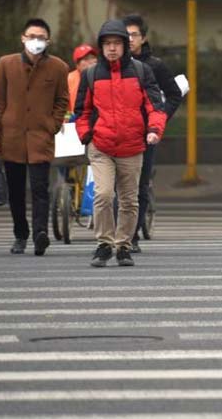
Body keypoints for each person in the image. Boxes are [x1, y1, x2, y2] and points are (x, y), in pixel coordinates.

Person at [75, 20, 167, 267]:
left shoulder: (141, 71)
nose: (112, 48)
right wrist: (86, 135)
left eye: (117, 43)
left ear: (125, 46)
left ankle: (124, 245)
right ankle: (104, 244)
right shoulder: (91, 74)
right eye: (107, 44)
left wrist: (154, 130)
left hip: (132, 146)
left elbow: (155, 106)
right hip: (101, 146)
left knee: (129, 200)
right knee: (103, 194)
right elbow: (82, 111)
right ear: (101, 47)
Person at [0, 19, 69, 255]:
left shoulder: (58, 67)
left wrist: (52, 124)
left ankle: (40, 233)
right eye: (32, 36)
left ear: (48, 41)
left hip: (41, 137)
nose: (36, 41)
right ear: (23, 38)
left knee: (40, 188)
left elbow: (62, 99)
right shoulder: (6, 63)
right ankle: (20, 234)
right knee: (16, 191)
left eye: (41, 37)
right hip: (11, 136)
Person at [123, 13, 183, 253]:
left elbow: (174, 95)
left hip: (146, 134)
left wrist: (159, 120)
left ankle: (132, 235)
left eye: (133, 35)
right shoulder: (111, 65)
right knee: (117, 186)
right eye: (125, 35)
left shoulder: (155, 66)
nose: (129, 39)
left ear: (143, 38)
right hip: (118, 133)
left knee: (139, 185)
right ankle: (116, 233)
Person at [66, 44, 98, 115]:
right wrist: (69, 118)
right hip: (76, 118)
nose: (92, 61)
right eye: (86, 59)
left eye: (93, 58)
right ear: (77, 64)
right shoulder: (69, 79)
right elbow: (63, 106)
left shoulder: (102, 77)